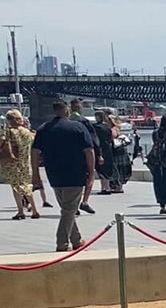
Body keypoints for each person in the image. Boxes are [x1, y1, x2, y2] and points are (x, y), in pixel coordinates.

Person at [30, 100, 96, 251]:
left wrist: (35, 173)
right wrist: (91, 171)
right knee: (68, 210)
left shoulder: (43, 129)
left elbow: (34, 152)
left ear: (54, 111)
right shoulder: (78, 127)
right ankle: (62, 243)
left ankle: (77, 240)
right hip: (75, 174)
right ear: (67, 111)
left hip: (54, 175)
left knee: (68, 209)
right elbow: (89, 150)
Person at [1, 109, 39, 219]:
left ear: (9, 120)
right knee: (26, 186)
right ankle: (34, 210)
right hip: (26, 163)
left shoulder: (8, 132)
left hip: (13, 163)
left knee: (16, 187)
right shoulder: (27, 132)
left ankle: (21, 211)